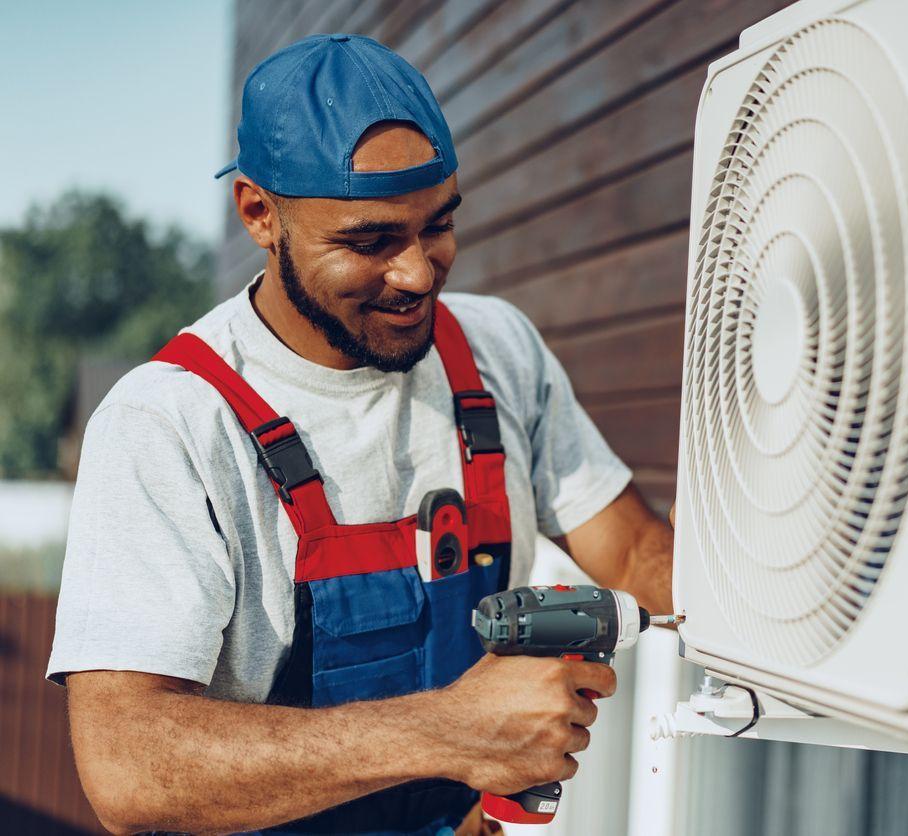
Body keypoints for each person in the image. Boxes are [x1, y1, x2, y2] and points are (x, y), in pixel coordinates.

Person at [46, 34, 675, 836]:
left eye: (438, 225)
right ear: (259, 214)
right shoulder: (170, 423)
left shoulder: (496, 351)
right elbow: (127, 766)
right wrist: (454, 730)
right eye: (370, 241)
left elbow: (631, 554)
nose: (417, 274)